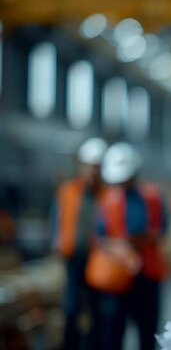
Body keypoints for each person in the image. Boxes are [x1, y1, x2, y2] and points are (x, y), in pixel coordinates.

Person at [94, 142, 168, 350]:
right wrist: (120, 246)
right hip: (117, 280)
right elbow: (100, 236)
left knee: (147, 333)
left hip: (146, 277)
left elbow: (162, 228)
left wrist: (142, 239)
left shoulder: (152, 197)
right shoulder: (108, 200)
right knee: (112, 335)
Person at [51, 137, 107, 350]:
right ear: (81, 166)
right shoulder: (68, 191)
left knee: (96, 309)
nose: (93, 172)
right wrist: (56, 238)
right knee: (71, 308)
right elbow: (57, 217)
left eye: (97, 167)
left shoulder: (107, 195)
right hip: (73, 258)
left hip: (97, 260)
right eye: (90, 167)